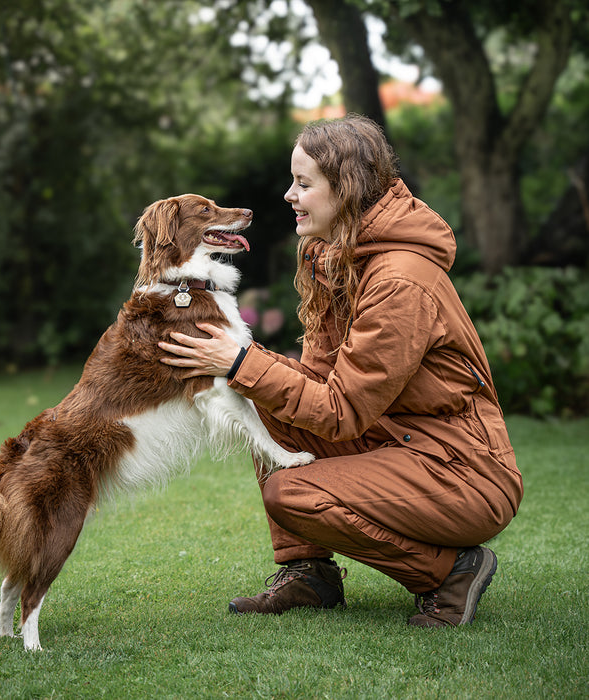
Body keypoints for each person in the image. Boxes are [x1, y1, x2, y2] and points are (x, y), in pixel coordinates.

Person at [158, 114, 523, 628]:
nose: (289, 195)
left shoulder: (400, 280)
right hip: (397, 441)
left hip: (463, 472)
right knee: (267, 400)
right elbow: (316, 381)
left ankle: (451, 572)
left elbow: (342, 410)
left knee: (292, 490)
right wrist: (248, 370)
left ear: (346, 189)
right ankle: (309, 575)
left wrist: (241, 361)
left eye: (304, 184)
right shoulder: (330, 253)